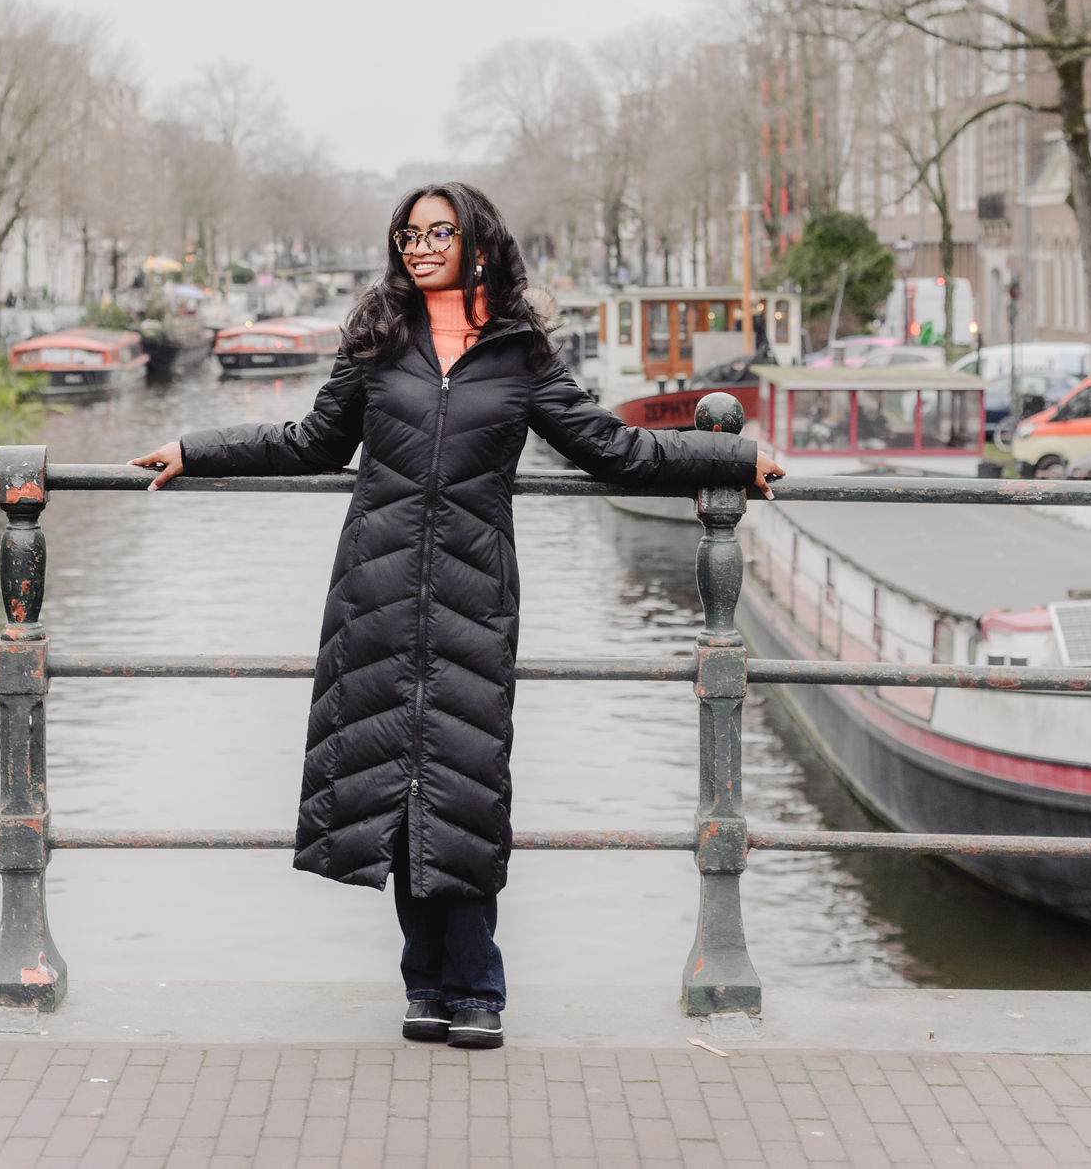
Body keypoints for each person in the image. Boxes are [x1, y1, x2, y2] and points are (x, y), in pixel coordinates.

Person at [131, 183, 783, 1050]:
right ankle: (425, 983)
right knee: (393, 789)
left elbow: (614, 450)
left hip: (475, 597)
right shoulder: (376, 342)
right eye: (409, 235)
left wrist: (731, 456)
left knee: (466, 788)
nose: (422, 247)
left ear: (478, 241)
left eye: (439, 232)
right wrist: (195, 449)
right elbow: (312, 441)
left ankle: (477, 986)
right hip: (375, 593)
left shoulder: (521, 355)